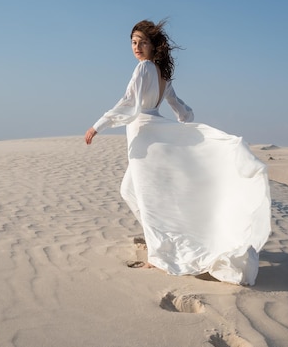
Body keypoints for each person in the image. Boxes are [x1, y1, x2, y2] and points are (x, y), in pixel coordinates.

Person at [85, 20, 271, 285]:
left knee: (147, 198)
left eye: (142, 42)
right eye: (133, 42)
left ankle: (159, 254)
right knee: (129, 191)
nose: (136, 47)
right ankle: (164, 238)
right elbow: (183, 110)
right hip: (151, 135)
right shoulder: (163, 74)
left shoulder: (145, 68)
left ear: (153, 45)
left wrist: (98, 125)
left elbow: (128, 103)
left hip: (145, 137)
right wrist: (182, 129)